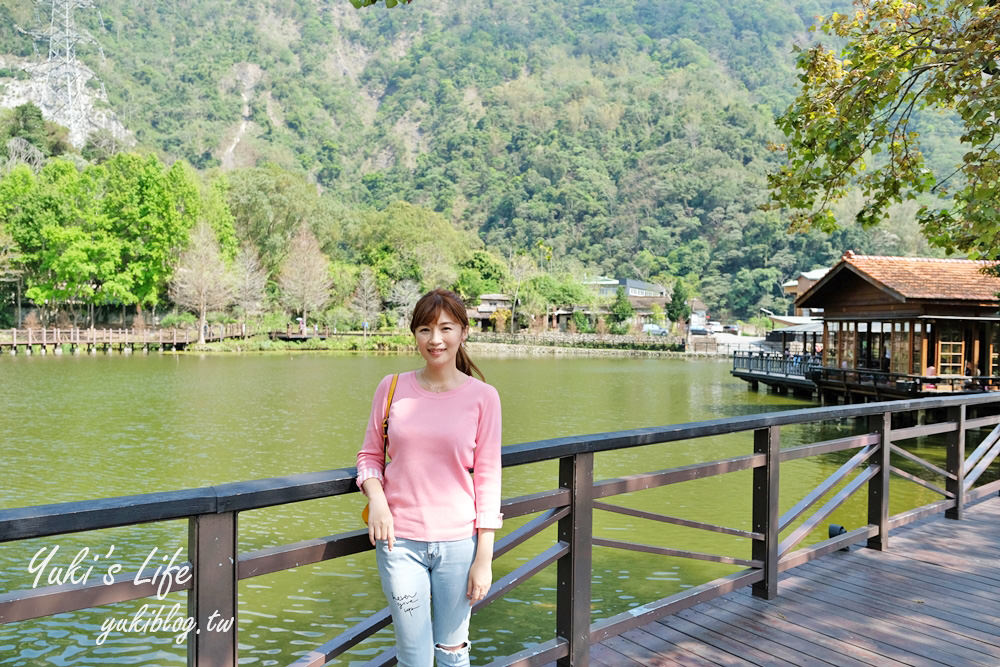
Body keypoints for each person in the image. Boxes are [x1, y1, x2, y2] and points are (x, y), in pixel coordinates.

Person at [356, 289, 503, 667]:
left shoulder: (484, 398)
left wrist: (483, 558)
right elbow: (370, 456)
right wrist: (378, 500)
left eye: (445, 328)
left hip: (459, 544)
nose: (435, 340)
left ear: (464, 333)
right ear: (415, 335)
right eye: (425, 329)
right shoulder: (391, 388)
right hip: (399, 543)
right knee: (414, 654)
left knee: (453, 652)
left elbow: (487, 478)